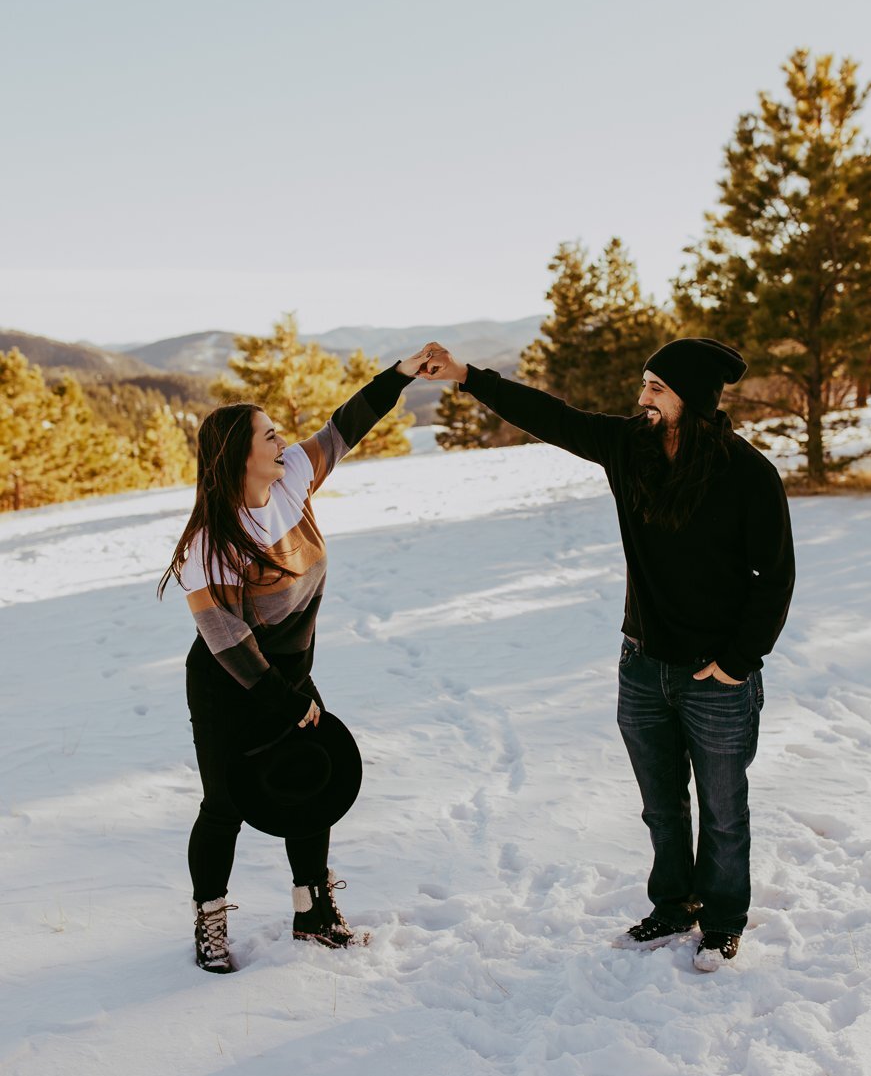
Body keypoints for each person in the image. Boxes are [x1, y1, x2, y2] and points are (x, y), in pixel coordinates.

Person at [417, 338, 795, 969]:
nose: (641, 397)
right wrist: (464, 377)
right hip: (643, 666)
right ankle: (674, 905)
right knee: (661, 807)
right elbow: (550, 415)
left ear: (692, 400)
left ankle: (723, 919)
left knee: (724, 811)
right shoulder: (630, 447)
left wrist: (737, 661)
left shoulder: (747, 473)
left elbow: (775, 578)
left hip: (716, 678)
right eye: (644, 384)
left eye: (656, 388)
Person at [158, 351, 434, 971]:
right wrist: (289, 702)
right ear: (240, 454)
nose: (284, 438)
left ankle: (313, 913)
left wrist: (402, 373)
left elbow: (345, 425)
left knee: (311, 781)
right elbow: (226, 638)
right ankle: (210, 921)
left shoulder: (291, 480)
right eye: (270, 434)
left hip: (290, 671)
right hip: (229, 683)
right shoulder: (212, 539)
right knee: (225, 803)